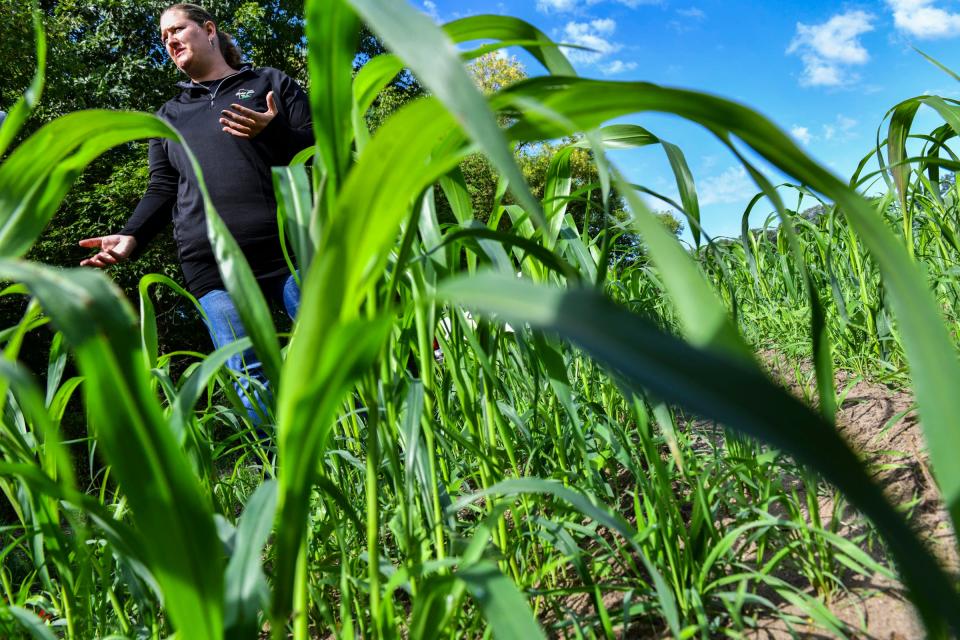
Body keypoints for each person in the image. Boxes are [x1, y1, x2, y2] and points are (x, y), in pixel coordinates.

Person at [79, 3, 312, 425]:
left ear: (208, 30)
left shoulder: (269, 82)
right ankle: (282, 479)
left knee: (329, 346)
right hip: (210, 262)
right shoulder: (167, 117)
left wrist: (273, 130)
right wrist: (132, 234)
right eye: (163, 35)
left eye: (177, 28)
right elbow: (163, 187)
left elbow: (320, 150)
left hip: (287, 246)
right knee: (249, 374)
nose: (168, 39)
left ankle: (369, 451)